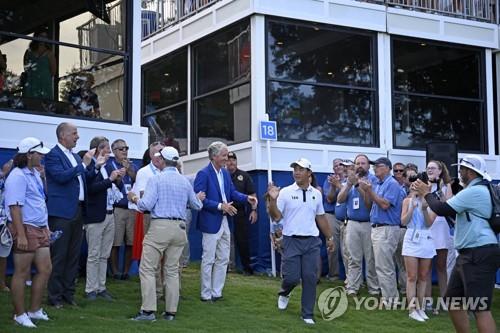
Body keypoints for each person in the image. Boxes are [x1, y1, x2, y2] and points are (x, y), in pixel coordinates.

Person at [413, 154, 500, 333]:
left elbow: (442, 209)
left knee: (479, 307)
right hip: (470, 252)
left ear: (470, 171)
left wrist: (426, 193)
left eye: (462, 169)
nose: (459, 172)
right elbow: (451, 212)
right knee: (453, 302)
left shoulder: (474, 191)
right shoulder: (475, 190)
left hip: (479, 252)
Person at [128, 146, 205, 321]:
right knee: (171, 270)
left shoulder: (157, 179)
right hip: (179, 228)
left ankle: (148, 311)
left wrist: (133, 198)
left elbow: (145, 205)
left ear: (162, 160)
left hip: (160, 226)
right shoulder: (184, 181)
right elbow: (197, 205)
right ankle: (170, 312)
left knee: (147, 268)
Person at [267, 158, 334, 325]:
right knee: (291, 278)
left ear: (309, 173)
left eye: (301, 169)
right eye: (295, 169)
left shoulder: (317, 194)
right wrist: (273, 200)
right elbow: (276, 217)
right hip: (291, 240)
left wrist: (330, 237)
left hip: (311, 241)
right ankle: (285, 292)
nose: (296, 172)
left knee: (310, 278)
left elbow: (321, 218)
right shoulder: (286, 192)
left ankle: (307, 314)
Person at [193, 141, 257, 302]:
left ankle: (217, 292)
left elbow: (232, 192)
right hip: (210, 221)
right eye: (224, 155)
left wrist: (247, 198)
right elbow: (199, 201)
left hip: (224, 221)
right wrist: (221, 206)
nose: (227, 159)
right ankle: (205, 294)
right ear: (214, 156)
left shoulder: (225, 173)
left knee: (223, 258)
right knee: (208, 259)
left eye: (227, 155)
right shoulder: (203, 174)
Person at [45, 122, 97, 308]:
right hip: (61, 212)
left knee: (73, 256)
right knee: (59, 255)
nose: (77, 136)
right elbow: (61, 177)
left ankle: (68, 294)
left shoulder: (75, 156)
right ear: (62, 135)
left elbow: (83, 179)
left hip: (78, 210)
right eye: (74, 133)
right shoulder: (52, 156)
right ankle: (54, 297)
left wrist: (94, 168)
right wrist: (83, 165)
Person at [4, 137, 51, 328]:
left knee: (45, 269)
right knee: (22, 273)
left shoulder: (32, 173)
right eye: (39, 153)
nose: (42, 156)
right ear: (29, 155)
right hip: (26, 227)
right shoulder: (17, 176)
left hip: (39, 228)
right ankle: (19, 314)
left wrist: (46, 226)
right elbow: (15, 207)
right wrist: (21, 234)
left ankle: (34, 310)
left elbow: (39, 202)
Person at [358, 157, 405, 304]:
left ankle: (391, 300)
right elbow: (369, 204)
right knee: (382, 265)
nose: (374, 168)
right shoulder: (379, 184)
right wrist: (366, 191)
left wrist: (370, 190)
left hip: (386, 228)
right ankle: (390, 297)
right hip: (379, 228)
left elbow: (385, 205)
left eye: (378, 166)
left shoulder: (391, 184)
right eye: (374, 166)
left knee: (385, 267)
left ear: (387, 168)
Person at [84, 137, 121, 301]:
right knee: (93, 253)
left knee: (104, 254)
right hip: (95, 216)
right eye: (105, 148)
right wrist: (110, 180)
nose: (109, 151)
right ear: (96, 149)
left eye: (108, 148)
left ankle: (101, 287)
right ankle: (90, 289)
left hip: (109, 214)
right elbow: (90, 189)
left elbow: (113, 188)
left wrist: (117, 179)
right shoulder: (90, 166)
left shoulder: (109, 166)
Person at [337, 154, 379, 296]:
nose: (360, 166)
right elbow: (340, 199)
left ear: (368, 165)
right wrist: (349, 184)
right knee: (353, 257)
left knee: (370, 258)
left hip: (368, 223)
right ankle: (353, 287)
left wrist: (357, 185)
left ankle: (373, 288)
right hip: (353, 223)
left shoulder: (373, 180)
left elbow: (370, 204)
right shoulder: (350, 179)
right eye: (358, 163)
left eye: (363, 163)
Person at [401, 178, 436, 322]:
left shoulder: (432, 203)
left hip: (426, 237)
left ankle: (420, 308)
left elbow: (429, 223)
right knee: (411, 276)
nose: (416, 189)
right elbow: (403, 221)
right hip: (411, 237)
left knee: (423, 276)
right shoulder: (407, 201)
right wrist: (411, 208)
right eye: (414, 187)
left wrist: (423, 209)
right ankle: (412, 309)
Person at [107, 139, 137, 280]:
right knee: (116, 242)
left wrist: (128, 169)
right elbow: (111, 183)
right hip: (117, 208)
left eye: (126, 148)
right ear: (114, 151)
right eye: (120, 149)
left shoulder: (133, 166)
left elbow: (136, 180)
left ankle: (125, 272)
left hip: (132, 208)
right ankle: (115, 271)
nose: (124, 151)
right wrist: (120, 174)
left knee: (130, 242)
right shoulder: (109, 165)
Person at [425, 160, 453, 310]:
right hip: (427, 226)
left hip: (441, 227)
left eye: (433, 168)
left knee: (441, 266)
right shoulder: (423, 184)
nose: (430, 170)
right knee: (427, 266)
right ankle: (428, 300)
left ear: (440, 170)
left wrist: (443, 185)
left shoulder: (446, 186)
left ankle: (445, 299)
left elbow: (449, 204)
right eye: (428, 168)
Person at [226, 151, 257, 275]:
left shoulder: (244, 176)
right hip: (225, 211)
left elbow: (252, 194)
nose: (231, 162)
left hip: (240, 212)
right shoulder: (222, 175)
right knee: (226, 240)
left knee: (242, 240)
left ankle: (247, 268)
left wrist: (254, 210)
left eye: (233, 159)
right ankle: (227, 267)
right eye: (228, 159)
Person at [322, 158, 345, 281]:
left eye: (340, 164)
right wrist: (333, 186)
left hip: (346, 217)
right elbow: (330, 199)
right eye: (335, 165)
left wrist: (340, 185)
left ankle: (350, 277)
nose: (338, 167)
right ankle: (333, 275)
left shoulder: (349, 179)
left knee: (346, 248)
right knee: (332, 246)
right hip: (331, 215)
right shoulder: (329, 180)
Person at [22, 29, 56, 100]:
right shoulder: (29, 52)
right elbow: (26, 68)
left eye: (45, 37)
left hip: (44, 83)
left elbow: (53, 71)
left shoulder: (50, 53)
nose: (43, 39)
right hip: (31, 81)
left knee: (44, 105)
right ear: (36, 37)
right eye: (41, 36)